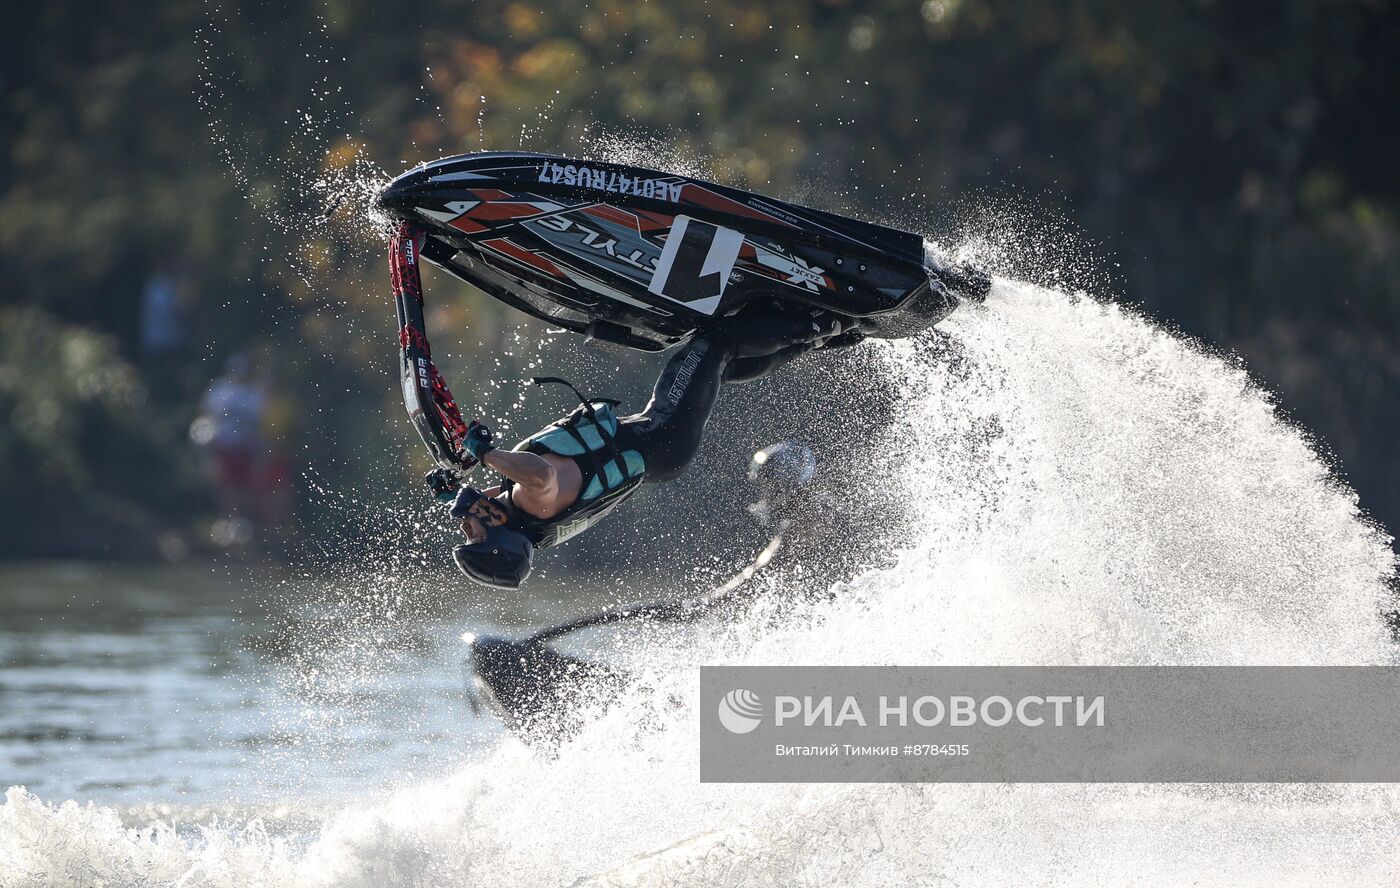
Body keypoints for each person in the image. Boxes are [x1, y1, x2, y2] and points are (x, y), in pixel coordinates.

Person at [447, 313, 859, 588]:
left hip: (660, 451)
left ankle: (827, 335)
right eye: (474, 532)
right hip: (662, 433)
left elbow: (526, 483)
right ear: (501, 534)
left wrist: (458, 484)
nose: (467, 521)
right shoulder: (531, 501)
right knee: (713, 343)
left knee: (721, 365)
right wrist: (485, 454)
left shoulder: (531, 520)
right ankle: (826, 320)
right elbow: (543, 475)